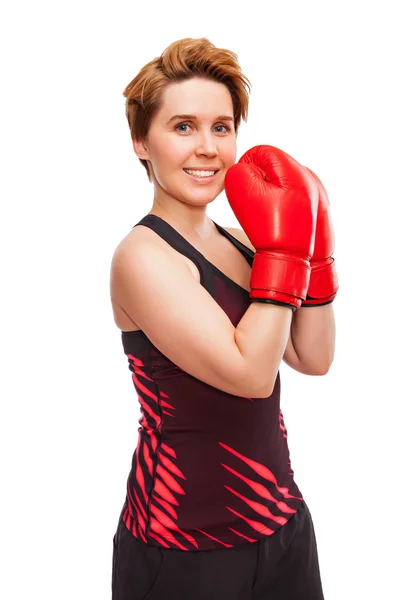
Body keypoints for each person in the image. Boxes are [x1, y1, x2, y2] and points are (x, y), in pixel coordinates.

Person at [109, 37, 337, 600]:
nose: (207, 147)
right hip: (183, 540)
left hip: (282, 521)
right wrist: (286, 256)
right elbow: (250, 375)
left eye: (222, 126)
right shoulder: (142, 257)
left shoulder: (244, 243)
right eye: (182, 127)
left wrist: (317, 253)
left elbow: (314, 357)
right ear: (141, 141)